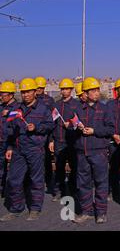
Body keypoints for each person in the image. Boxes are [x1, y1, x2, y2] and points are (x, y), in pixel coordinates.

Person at [0, 78, 54, 222]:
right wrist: (10, 147)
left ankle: (35, 209)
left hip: (35, 150)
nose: (26, 95)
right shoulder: (16, 109)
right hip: (18, 150)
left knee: (36, 180)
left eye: (28, 91)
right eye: (23, 92)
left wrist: (37, 128)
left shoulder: (43, 109)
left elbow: (50, 126)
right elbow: (12, 130)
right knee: (14, 180)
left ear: (35, 92)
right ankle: (16, 208)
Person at [72, 77, 114, 224]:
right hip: (82, 152)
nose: (96, 93)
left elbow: (110, 129)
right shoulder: (77, 109)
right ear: (85, 93)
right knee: (83, 183)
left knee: (101, 182)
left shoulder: (104, 109)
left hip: (99, 152)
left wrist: (94, 131)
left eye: (97, 90)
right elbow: (71, 126)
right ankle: (86, 211)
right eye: (93, 90)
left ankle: (101, 212)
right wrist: (75, 127)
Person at [49, 78, 80, 201]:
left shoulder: (77, 105)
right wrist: (51, 140)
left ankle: (73, 190)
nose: (64, 91)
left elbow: (79, 122)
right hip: (59, 140)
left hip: (72, 142)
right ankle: (59, 190)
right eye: (62, 89)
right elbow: (51, 124)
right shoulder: (56, 105)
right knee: (59, 167)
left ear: (71, 90)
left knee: (74, 167)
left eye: (67, 89)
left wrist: (71, 124)